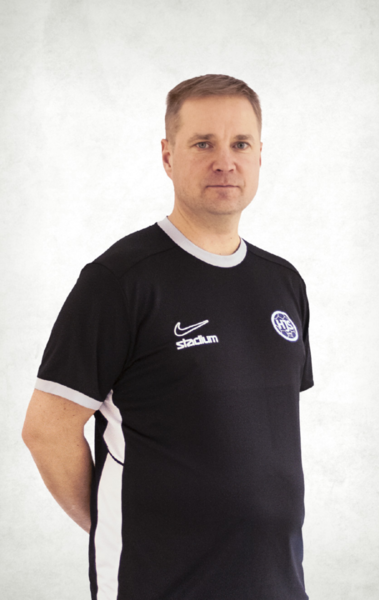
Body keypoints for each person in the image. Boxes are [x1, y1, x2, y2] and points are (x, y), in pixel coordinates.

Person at [22, 74, 314, 600]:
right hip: (159, 584)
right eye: (203, 144)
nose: (225, 161)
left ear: (259, 155)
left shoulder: (283, 281)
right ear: (167, 156)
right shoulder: (120, 281)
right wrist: (119, 529)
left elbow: (257, 439)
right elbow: (47, 430)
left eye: (240, 144)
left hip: (277, 583)